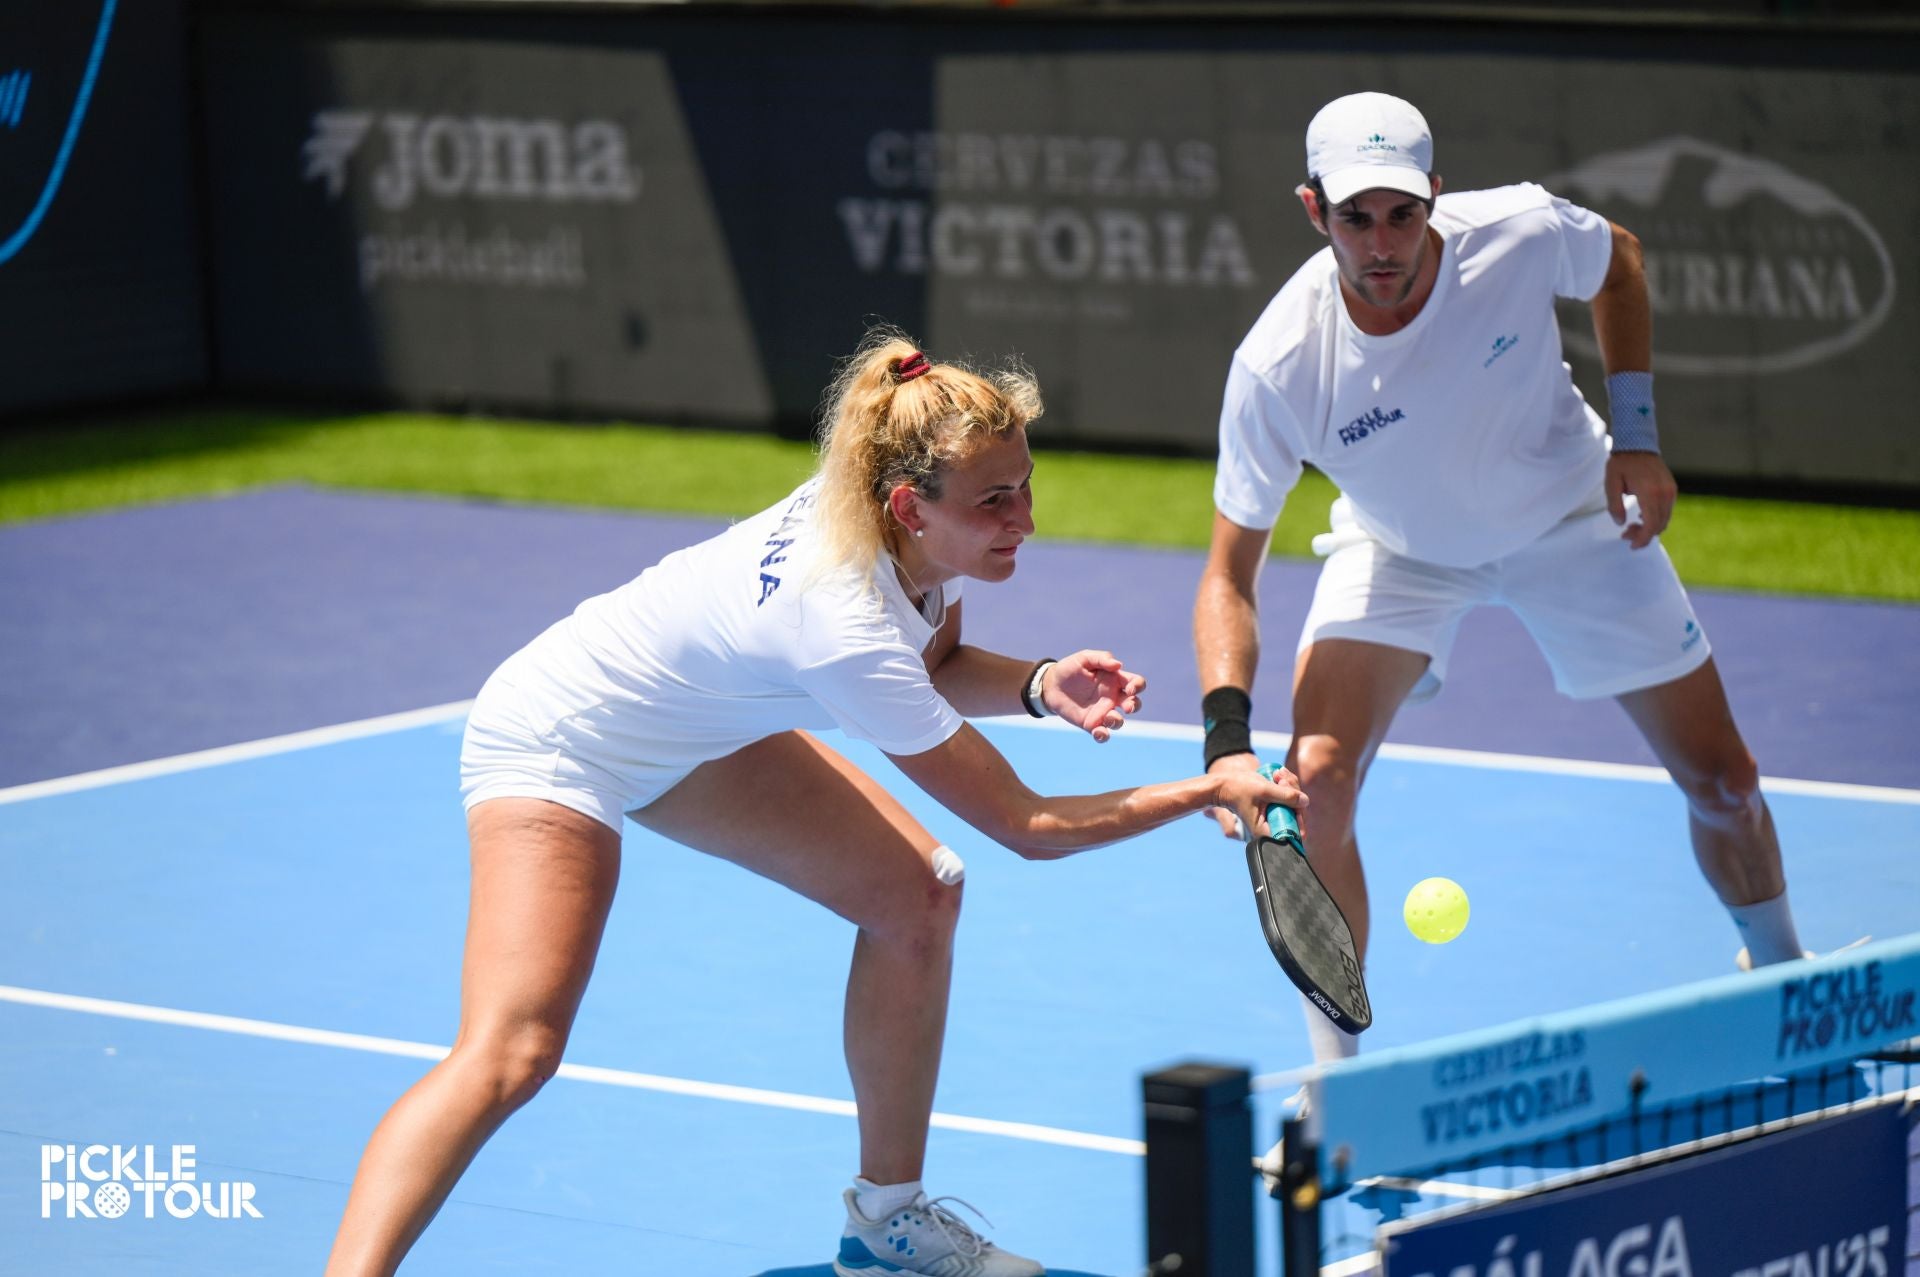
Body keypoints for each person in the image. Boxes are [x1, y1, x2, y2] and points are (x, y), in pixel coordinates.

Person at [323, 328, 1304, 1277]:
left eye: (1026, 484)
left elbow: (943, 661)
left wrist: (1040, 681)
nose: (1025, 519)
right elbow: (1032, 825)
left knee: (919, 892)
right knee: (514, 1051)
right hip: (560, 735)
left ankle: (885, 1225)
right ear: (911, 506)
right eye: (996, 500)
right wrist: (1210, 785)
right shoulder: (843, 623)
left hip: (694, 733)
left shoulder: (902, 538)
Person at [1193, 92, 1807, 1067]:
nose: (1383, 241)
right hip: (1401, 552)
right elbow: (1229, 572)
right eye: (1356, 217)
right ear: (1314, 210)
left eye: (1403, 212)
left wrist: (1639, 439)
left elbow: (1622, 262)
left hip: (1571, 517)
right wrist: (1227, 738)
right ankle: (1338, 1076)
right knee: (1314, 788)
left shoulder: (1515, 229)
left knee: (1725, 782)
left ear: (1435, 196)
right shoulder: (1278, 364)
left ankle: (1787, 980)